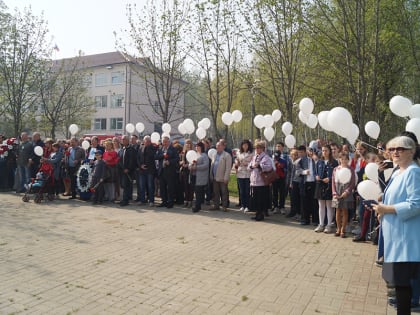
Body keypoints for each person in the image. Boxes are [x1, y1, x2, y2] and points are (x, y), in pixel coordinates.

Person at [372, 136, 420, 314]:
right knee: (398, 284)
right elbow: (389, 196)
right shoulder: (399, 171)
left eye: (400, 149)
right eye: (391, 149)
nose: (394, 152)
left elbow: (416, 204)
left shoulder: (413, 172)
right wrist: (381, 209)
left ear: (411, 151)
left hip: (406, 240)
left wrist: (387, 209)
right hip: (395, 236)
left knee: (402, 286)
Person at [314, 145, 339, 233]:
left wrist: (330, 178)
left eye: (326, 150)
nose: (324, 152)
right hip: (320, 185)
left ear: (330, 152)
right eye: (323, 150)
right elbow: (315, 172)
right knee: (321, 205)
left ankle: (329, 225)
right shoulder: (319, 162)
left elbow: (336, 175)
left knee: (329, 206)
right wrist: (316, 176)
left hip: (329, 186)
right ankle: (321, 224)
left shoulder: (334, 162)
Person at [332, 152, 356, 237]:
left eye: (346, 159)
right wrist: (334, 192)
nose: (344, 161)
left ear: (348, 160)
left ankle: (343, 229)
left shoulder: (351, 169)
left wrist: (347, 191)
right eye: (342, 159)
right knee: (338, 211)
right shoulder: (336, 169)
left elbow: (352, 182)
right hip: (337, 192)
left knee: (345, 211)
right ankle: (338, 229)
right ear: (339, 159)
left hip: (346, 192)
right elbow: (333, 182)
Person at [248, 140, 273, 221]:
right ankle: (257, 214)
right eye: (256, 148)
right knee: (255, 199)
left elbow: (269, 167)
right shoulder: (254, 157)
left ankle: (261, 214)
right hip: (254, 181)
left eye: (258, 148)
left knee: (261, 199)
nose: (257, 149)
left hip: (261, 182)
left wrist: (260, 165)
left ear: (262, 149)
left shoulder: (266, 157)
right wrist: (251, 166)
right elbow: (249, 166)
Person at [295, 145, 317, 225]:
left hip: (313, 183)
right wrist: (304, 172)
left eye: (301, 152)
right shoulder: (299, 161)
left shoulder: (314, 160)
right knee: (304, 202)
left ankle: (315, 220)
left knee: (314, 202)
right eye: (299, 152)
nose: (300, 154)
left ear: (305, 152)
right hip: (304, 183)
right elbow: (297, 171)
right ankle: (305, 219)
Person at [156, 136, 179, 208]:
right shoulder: (160, 149)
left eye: (166, 141)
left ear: (169, 142)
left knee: (170, 188)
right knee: (162, 187)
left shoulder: (173, 149)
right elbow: (156, 157)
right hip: (162, 171)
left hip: (170, 171)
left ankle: (170, 202)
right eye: (163, 142)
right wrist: (162, 155)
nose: (164, 143)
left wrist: (170, 162)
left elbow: (177, 158)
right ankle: (164, 201)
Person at [209, 140, 232, 212]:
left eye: (219, 145)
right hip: (215, 176)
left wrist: (226, 178)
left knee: (224, 192)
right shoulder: (214, 154)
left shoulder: (227, 155)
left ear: (223, 147)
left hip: (222, 177)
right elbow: (212, 165)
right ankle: (216, 205)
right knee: (216, 192)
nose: (217, 147)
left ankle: (224, 206)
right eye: (216, 146)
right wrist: (211, 175)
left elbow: (228, 168)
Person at [137, 135, 157, 206]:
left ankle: (151, 201)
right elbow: (138, 158)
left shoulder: (153, 148)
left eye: (149, 141)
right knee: (142, 186)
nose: (148, 142)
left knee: (150, 186)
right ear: (144, 141)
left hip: (150, 170)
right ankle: (142, 200)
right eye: (146, 141)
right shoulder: (140, 148)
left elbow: (153, 157)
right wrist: (141, 165)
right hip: (142, 170)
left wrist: (149, 146)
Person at [271, 142, 291, 214]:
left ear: (282, 147)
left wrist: (282, 167)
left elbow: (287, 169)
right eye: (276, 146)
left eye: (279, 146)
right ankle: (275, 206)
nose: (277, 147)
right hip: (274, 178)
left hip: (282, 178)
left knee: (282, 193)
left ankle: (282, 206)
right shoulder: (272, 158)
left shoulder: (285, 158)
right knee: (274, 192)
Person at [190, 142, 209, 212]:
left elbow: (206, 165)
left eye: (198, 146)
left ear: (201, 147)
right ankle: (198, 205)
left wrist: (197, 167)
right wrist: (190, 167)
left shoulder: (204, 155)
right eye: (196, 146)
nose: (197, 148)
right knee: (196, 191)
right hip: (194, 175)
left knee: (199, 191)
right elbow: (190, 163)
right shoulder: (195, 155)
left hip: (200, 176)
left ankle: (197, 206)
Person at [234, 139, 253, 212]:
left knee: (247, 190)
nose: (245, 146)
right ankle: (242, 205)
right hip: (240, 172)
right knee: (241, 191)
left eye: (246, 145)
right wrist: (236, 162)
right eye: (243, 145)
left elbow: (253, 162)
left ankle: (248, 206)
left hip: (248, 173)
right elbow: (236, 159)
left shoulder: (251, 153)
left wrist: (247, 164)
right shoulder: (238, 152)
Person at [119, 135, 137, 206]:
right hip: (122, 171)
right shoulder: (122, 149)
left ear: (127, 140)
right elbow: (120, 159)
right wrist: (121, 167)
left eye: (124, 140)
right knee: (123, 185)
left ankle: (125, 200)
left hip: (129, 171)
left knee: (126, 186)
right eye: (122, 140)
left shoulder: (131, 149)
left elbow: (132, 161)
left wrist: (128, 169)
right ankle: (124, 199)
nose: (122, 141)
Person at [179, 139, 194, 207]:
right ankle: (186, 200)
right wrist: (181, 163)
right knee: (185, 186)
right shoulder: (183, 152)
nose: (187, 145)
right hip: (184, 171)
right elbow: (180, 161)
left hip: (190, 171)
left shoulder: (193, 152)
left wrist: (188, 165)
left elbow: (194, 162)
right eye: (186, 143)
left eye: (189, 143)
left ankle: (190, 200)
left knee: (190, 186)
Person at [286, 149, 301, 219]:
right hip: (290, 181)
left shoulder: (298, 162)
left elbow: (295, 174)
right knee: (292, 198)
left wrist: (291, 182)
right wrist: (288, 181)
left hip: (296, 182)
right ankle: (292, 211)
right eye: (292, 155)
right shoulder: (290, 161)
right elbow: (289, 172)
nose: (293, 156)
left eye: (295, 155)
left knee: (296, 198)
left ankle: (297, 212)